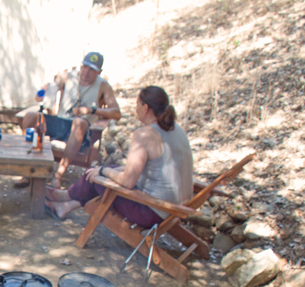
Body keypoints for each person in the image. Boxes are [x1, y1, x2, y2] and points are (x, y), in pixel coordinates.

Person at [44, 85, 192, 229]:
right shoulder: (175, 128)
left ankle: (63, 196)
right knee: (109, 169)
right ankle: (65, 206)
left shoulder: (145, 135)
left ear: (145, 108)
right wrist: (106, 170)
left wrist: (102, 172)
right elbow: (147, 168)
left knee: (97, 178)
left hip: (151, 211)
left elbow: (127, 182)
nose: (135, 108)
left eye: (137, 104)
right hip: (176, 207)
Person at [15, 52, 121, 189]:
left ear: (99, 72)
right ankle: (29, 169)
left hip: (81, 131)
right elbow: (39, 97)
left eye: (91, 70)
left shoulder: (103, 85)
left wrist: (91, 110)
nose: (86, 72)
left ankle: (58, 175)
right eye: (85, 67)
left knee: (79, 122)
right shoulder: (68, 76)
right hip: (60, 122)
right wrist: (42, 91)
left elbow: (117, 113)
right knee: (30, 116)